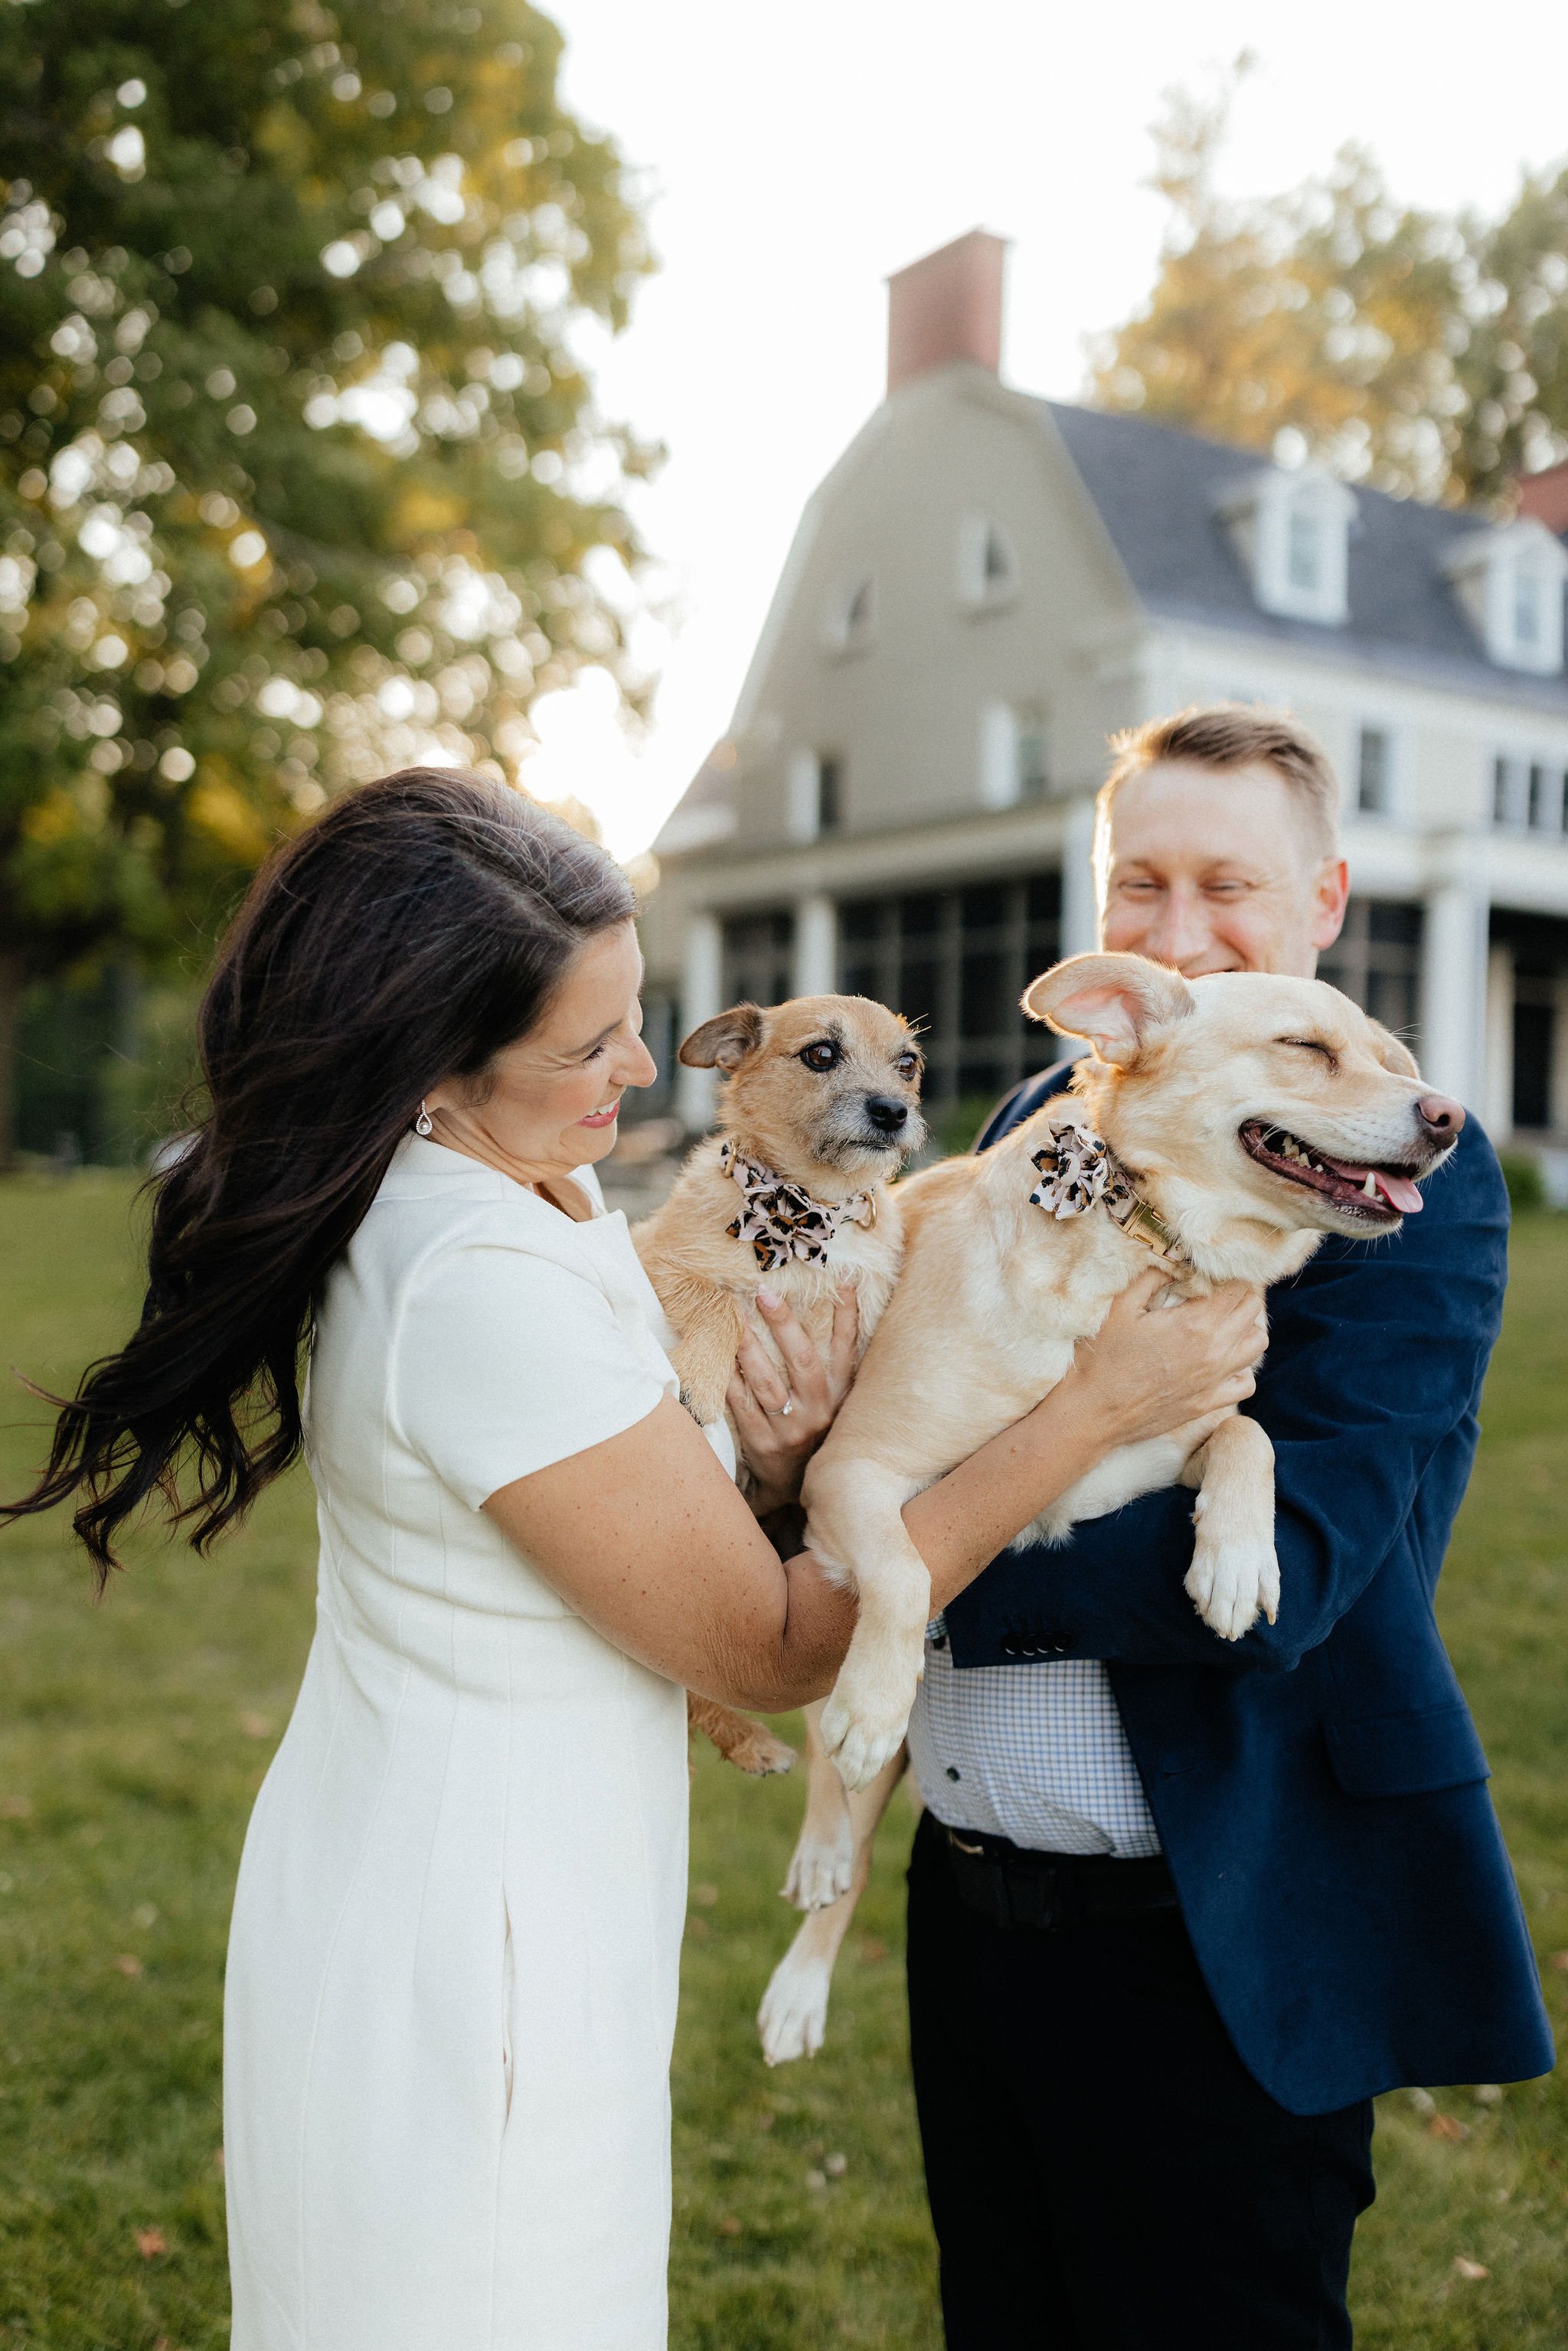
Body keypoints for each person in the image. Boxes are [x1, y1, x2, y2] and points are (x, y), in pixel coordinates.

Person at [2, 767, 1266, 2351]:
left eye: (637, 1013)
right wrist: (1088, 1411)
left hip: (478, 1883)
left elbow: (653, 1496)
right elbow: (775, 1649)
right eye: (587, 1042)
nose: (643, 1062)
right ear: (428, 1060)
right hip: (476, 1949)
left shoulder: (506, 1181)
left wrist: (798, 1456)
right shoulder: (475, 1280)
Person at [904, 704, 1554, 2351]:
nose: (1174, 933)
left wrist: (913, 1570)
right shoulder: (1047, 1120)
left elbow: (1292, 1573)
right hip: (970, 1909)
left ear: (1324, 900)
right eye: (1138, 885)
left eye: (1227, 888)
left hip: (1210, 1931)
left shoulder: (1395, 1165)